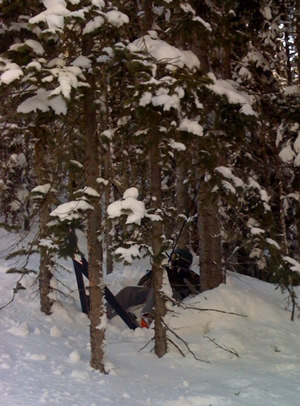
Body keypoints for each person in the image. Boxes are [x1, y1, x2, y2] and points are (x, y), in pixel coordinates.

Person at [106, 248, 200, 328]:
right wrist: (153, 274)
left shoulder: (190, 275)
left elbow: (200, 288)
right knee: (129, 290)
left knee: (157, 290)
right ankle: (106, 311)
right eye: (172, 256)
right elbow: (143, 283)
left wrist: (185, 278)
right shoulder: (164, 270)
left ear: (182, 261)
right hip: (152, 292)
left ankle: (147, 318)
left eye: (175, 257)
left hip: (173, 295)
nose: (171, 259)